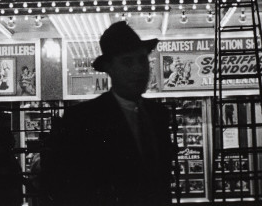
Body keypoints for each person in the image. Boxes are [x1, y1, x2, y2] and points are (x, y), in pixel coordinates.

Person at [48, 21, 173, 206]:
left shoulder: (158, 114)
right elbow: (68, 188)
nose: (138, 69)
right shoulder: (82, 119)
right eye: (127, 62)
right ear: (109, 68)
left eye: (142, 60)